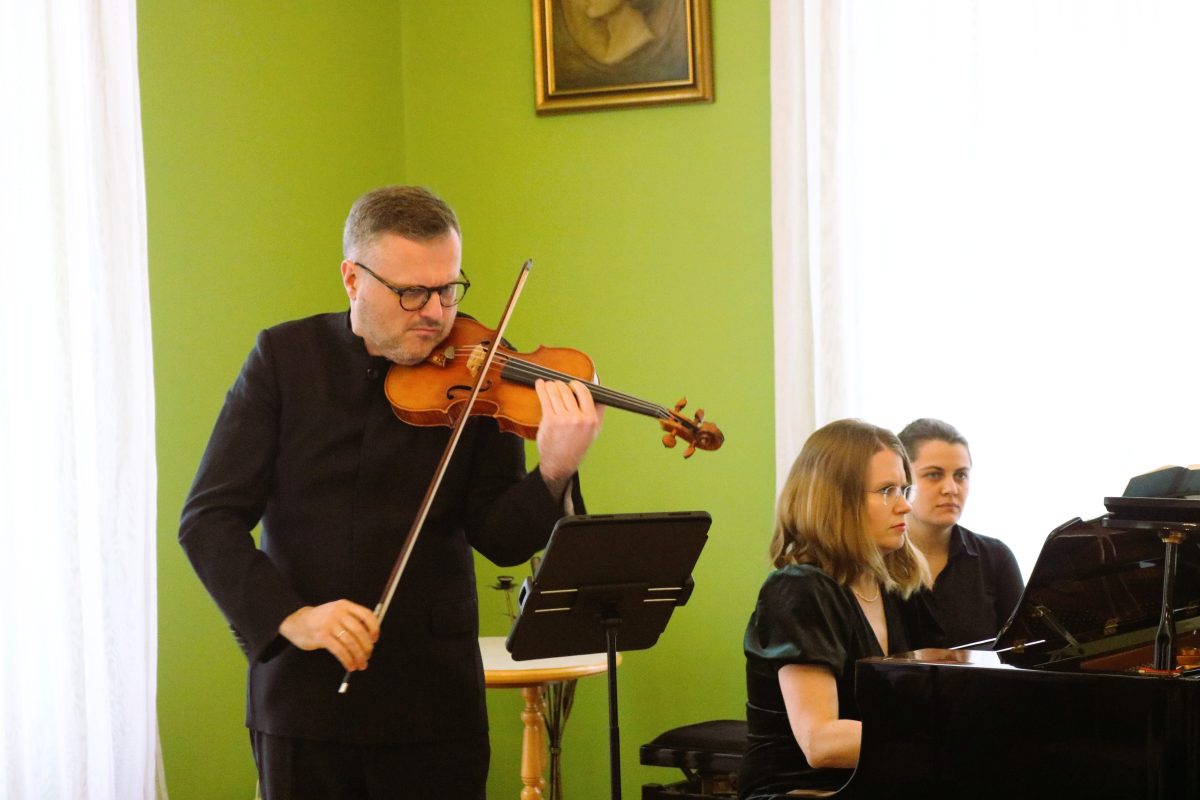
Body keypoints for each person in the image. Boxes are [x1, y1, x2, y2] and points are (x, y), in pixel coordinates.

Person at [179, 185, 603, 800]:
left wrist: (554, 472)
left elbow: (501, 538)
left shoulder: (481, 369)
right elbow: (208, 520)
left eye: (448, 289)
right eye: (411, 292)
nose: (435, 312)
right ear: (353, 279)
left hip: (433, 702)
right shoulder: (285, 359)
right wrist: (291, 617)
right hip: (303, 702)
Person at [739, 419, 943, 798]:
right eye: (887, 491)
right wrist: (946, 740)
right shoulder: (799, 588)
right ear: (837, 500)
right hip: (802, 792)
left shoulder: (896, 588)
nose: (904, 505)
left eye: (904, 489)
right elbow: (821, 742)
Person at [898, 418, 1023, 647]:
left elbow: (1023, 652)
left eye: (961, 475)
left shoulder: (996, 559)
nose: (951, 489)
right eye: (934, 475)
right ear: (902, 479)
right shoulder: (876, 561)